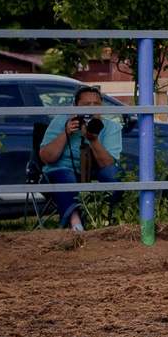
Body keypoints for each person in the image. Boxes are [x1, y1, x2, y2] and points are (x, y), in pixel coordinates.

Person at [37, 84, 121, 233]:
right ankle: (76, 224)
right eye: (86, 104)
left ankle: (107, 221)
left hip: (93, 174)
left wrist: (93, 139)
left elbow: (108, 165)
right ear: (74, 106)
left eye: (96, 104)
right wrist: (66, 133)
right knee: (66, 175)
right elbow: (46, 157)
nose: (91, 109)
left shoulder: (111, 127)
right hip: (60, 173)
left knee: (113, 173)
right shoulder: (62, 120)